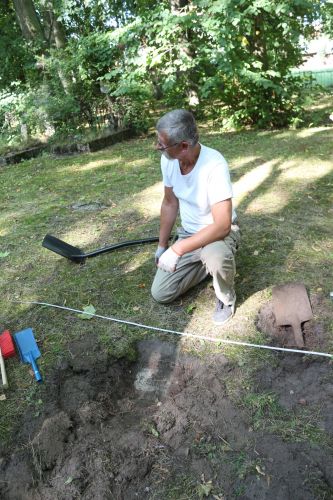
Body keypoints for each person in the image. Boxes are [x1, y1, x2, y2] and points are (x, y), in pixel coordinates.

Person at [151, 109, 240, 325]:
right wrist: (163, 246)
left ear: (183, 146)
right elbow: (170, 203)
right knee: (161, 293)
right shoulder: (169, 161)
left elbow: (222, 226)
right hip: (189, 235)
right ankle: (207, 262)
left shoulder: (214, 165)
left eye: (162, 145)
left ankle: (225, 297)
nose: (157, 147)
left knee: (216, 256)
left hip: (217, 235)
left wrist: (178, 249)